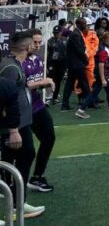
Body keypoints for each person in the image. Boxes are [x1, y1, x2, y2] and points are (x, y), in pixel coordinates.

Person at [0, 30, 46, 219]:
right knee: (21, 157)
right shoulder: (11, 68)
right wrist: (12, 129)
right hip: (14, 127)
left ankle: (18, 203)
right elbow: (3, 99)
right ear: (27, 47)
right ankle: (14, 205)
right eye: (33, 44)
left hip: (20, 124)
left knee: (23, 156)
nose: (36, 47)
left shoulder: (14, 64)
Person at [23, 29, 57, 193]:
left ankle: (37, 177)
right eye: (34, 42)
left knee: (49, 137)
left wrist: (46, 84)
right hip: (21, 110)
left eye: (39, 42)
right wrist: (43, 82)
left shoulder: (37, 60)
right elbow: (21, 87)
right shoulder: (18, 62)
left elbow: (34, 85)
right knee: (22, 150)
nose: (37, 45)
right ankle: (8, 182)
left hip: (37, 107)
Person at [84, 31, 109, 118]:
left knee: (95, 93)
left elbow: (106, 64)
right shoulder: (103, 50)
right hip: (105, 75)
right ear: (106, 39)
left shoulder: (106, 48)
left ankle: (81, 109)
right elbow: (101, 65)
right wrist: (103, 79)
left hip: (106, 74)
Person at [61, 17, 91, 119]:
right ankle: (88, 103)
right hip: (77, 64)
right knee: (85, 84)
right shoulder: (76, 34)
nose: (86, 25)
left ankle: (65, 104)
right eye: (84, 23)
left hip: (74, 64)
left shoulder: (76, 33)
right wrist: (85, 60)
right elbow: (79, 50)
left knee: (70, 83)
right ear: (79, 24)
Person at [46, 24, 67, 104]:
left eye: (57, 33)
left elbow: (67, 51)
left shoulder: (65, 40)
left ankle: (55, 97)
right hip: (52, 63)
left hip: (62, 63)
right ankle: (48, 97)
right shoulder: (50, 41)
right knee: (51, 79)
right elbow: (47, 53)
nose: (56, 34)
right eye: (55, 33)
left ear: (61, 32)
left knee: (58, 80)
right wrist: (47, 65)